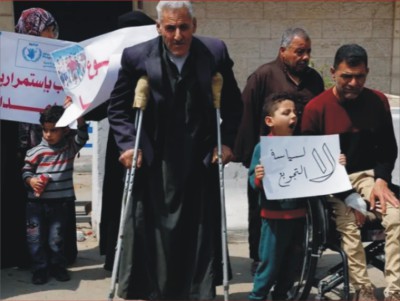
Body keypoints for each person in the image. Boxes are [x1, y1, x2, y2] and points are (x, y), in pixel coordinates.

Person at [107, 1, 243, 299]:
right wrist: (129, 145)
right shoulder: (137, 57)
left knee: (197, 227)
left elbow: (233, 104)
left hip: (199, 155)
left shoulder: (214, 52)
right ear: (159, 28)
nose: (178, 35)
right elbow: (118, 109)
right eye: (170, 28)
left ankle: (198, 292)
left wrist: (227, 142)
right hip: (155, 156)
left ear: (194, 26)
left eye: (184, 27)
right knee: (153, 229)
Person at [301, 44, 400, 301]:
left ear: (367, 72)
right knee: (349, 226)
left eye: (360, 76)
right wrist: (349, 197)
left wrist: (381, 181)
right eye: (347, 76)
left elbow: (388, 149)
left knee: (396, 216)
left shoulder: (377, 101)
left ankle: (394, 290)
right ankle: (362, 289)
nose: (353, 82)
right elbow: (313, 166)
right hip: (333, 184)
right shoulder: (316, 109)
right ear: (333, 72)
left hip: (369, 178)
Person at [233, 27, 325, 274]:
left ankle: (298, 260)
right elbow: (247, 115)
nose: (305, 57)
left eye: (308, 52)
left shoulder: (314, 79)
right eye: (299, 51)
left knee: (299, 213)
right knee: (261, 212)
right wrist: (250, 158)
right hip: (269, 160)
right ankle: (259, 259)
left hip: (302, 159)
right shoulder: (263, 76)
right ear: (283, 51)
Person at [83, 10, 156, 272]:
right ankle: (116, 257)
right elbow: (102, 103)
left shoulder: (155, 59)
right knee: (118, 197)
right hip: (124, 141)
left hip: (149, 139)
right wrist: (77, 107)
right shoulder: (115, 62)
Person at [1, 7, 65, 269]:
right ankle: (19, 255)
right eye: (48, 29)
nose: (53, 34)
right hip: (15, 148)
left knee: (53, 203)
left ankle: (54, 257)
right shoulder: (8, 59)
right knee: (20, 203)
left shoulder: (55, 62)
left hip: (49, 146)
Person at [247, 92, 309, 300]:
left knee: (292, 263)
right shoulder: (262, 148)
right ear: (270, 121)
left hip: (298, 215)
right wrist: (258, 176)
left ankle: (281, 295)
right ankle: (257, 296)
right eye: (286, 112)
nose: (293, 116)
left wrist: (334, 163)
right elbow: (252, 181)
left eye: (295, 112)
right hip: (274, 217)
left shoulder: (304, 147)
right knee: (270, 262)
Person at [22, 102, 89, 285]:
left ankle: (58, 267)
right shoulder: (34, 152)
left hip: (61, 203)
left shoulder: (69, 149)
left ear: (65, 130)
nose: (49, 135)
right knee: (35, 240)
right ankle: (40, 269)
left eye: (54, 130)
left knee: (56, 239)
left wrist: (77, 113)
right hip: (35, 205)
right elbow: (26, 172)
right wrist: (31, 181)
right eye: (45, 130)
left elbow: (83, 136)